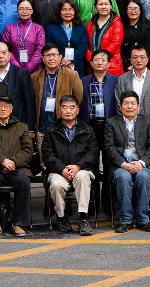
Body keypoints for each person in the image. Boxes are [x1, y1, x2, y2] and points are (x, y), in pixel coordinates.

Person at [42, 95, 99, 236]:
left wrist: (78, 166)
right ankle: (61, 217)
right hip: (59, 171)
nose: (68, 111)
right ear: (59, 110)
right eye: (64, 107)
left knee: (82, 177)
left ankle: (83, 218)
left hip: (82, 169)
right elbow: (48, 155)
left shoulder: (88, 130)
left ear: (77, 110)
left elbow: (92, 153)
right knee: (56, 184)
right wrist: (62, 169)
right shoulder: (51, 131)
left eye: (72, 107)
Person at [0, 96, 34, 238]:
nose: (3, 109)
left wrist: (14, 162)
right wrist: (2, 161)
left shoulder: (21, 127)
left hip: (17, 169)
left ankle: (20, 224)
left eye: (6, 106)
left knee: (24, 181)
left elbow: (28, 151)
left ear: (11, 109)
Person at [103, 91, 150, 233]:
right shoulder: (111, 123)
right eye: (126, 103)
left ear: (138, 106)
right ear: (120, 106)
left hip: (142, 164)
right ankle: (126, 220)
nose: (129, 106)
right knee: (123, 177)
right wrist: (123, 164)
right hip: (120, 165)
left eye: (133, 103)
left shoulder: (147, 121)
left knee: (144, 176)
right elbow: (109, 147)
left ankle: (142, 219)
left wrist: (141, 163)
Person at [0, 42, 36, 133]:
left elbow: (29, 101)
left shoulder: (21, 73)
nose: (1, 56)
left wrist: (30, 128)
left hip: (18, 123)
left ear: (9, 54)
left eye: (4, 53)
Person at [32, 45, 84, 134]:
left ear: (60, 57)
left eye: (54, 55)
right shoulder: (34, 77)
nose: (51, 58)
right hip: (42, 128)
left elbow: (79, 98)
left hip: (63, 129)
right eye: (48, 55)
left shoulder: (72, 75)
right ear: (43, 58)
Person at [115, 46, 150, 126]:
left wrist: (147, 126)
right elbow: (119, 104)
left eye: (142, 57)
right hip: (127, 126)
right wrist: (129, 124)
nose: (139, 60)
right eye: (135, 57)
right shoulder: (122, 79)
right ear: (130, 60)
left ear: (147, 59)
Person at [2, 0, 44, 73]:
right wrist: (18, 68)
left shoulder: (38, 28)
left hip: (35, 70)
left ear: (32, 11)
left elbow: (40, 50)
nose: (24, 12)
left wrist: (29, 68)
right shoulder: (9, 28)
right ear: (17, 11)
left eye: (27, 9)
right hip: (14, 69)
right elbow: (6, 49)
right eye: (21, 9)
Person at [86, 0, 124, 75]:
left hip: (111, 65)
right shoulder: (90, 24)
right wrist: (91, 58)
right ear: (96, 7)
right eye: (100, 4)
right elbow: (85, 44)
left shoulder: (117, 23)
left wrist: (100, 59)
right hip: (93, 65)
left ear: (111, 6)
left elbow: (115, 43)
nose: (103, 7)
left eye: (106, 4)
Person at [46, 1, 88, 71]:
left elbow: (83, 46)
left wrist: (70, 59)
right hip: (57, 64)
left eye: (70, 10)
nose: (67, 12)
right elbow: (49, 46)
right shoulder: (51, 28)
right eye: (64, 10)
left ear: (74, 12)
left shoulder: (81, 28)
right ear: (59, 12)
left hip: (77, 65)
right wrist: (61, 59)